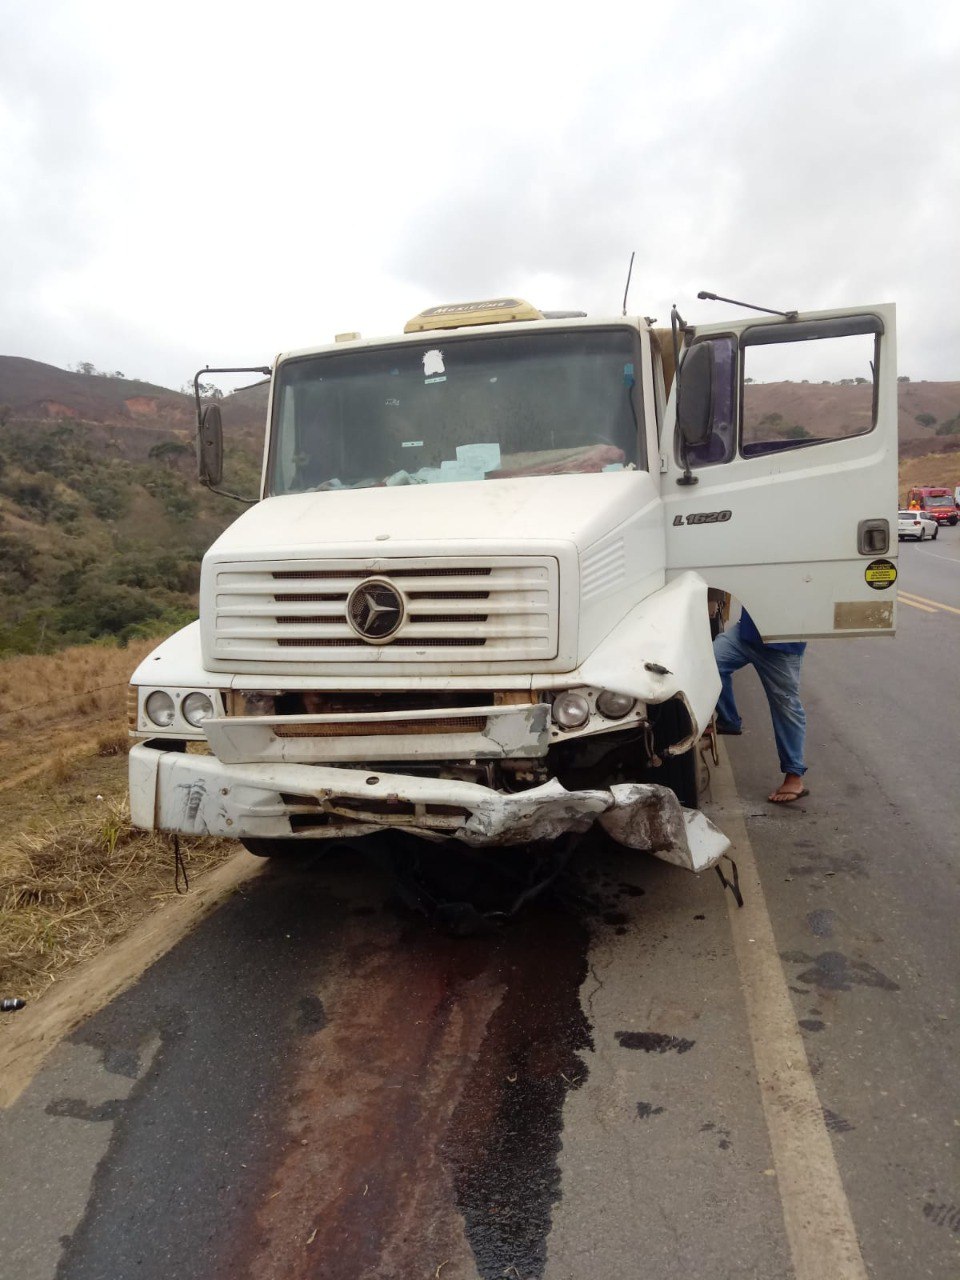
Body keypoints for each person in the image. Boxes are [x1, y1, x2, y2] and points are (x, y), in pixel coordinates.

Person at [712, 605, 809, 804]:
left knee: (787, 708)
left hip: (783, 644)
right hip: (746, 634)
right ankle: (729, 721)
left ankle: (794, 776)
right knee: (709, 663)